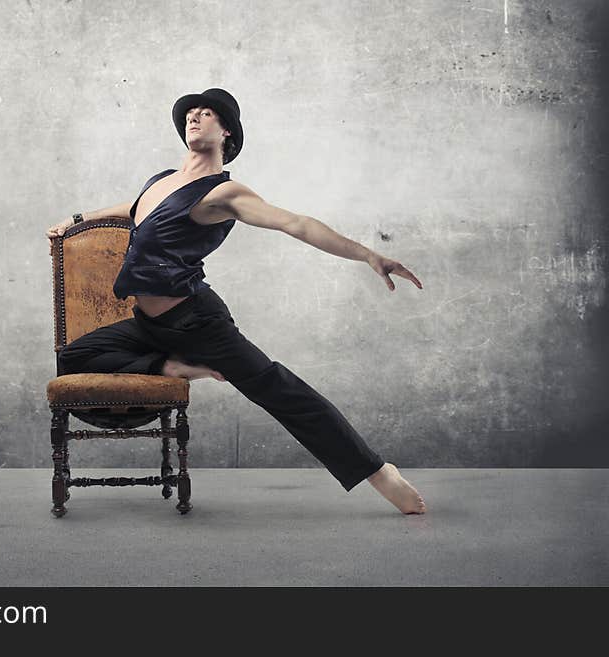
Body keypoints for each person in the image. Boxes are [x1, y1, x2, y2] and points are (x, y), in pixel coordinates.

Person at [45, 88, 426, 514]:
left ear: (226, 131)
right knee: (75, 356)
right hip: (150, 326)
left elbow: (295, 223)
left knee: (282, 392)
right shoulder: (162, 180)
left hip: (198, 324)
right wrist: (79, 219)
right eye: (190, 112)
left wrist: (368, 254)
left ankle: (378, 473)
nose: (194, 117)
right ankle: (171, 367)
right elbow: (134, 208)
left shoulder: (223, 194)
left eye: (206, 113)